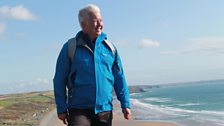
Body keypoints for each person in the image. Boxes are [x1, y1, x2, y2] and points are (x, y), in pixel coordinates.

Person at [53, 4, 131, 126]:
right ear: (83, 25)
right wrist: (61, 108)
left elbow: (119, 78)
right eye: (95, 21)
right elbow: (59, 79)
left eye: (101, 20)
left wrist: (125, 104)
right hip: (79, 109)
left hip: (104, 110)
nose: (100, 24)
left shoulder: (110, 49)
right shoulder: (70, 47)